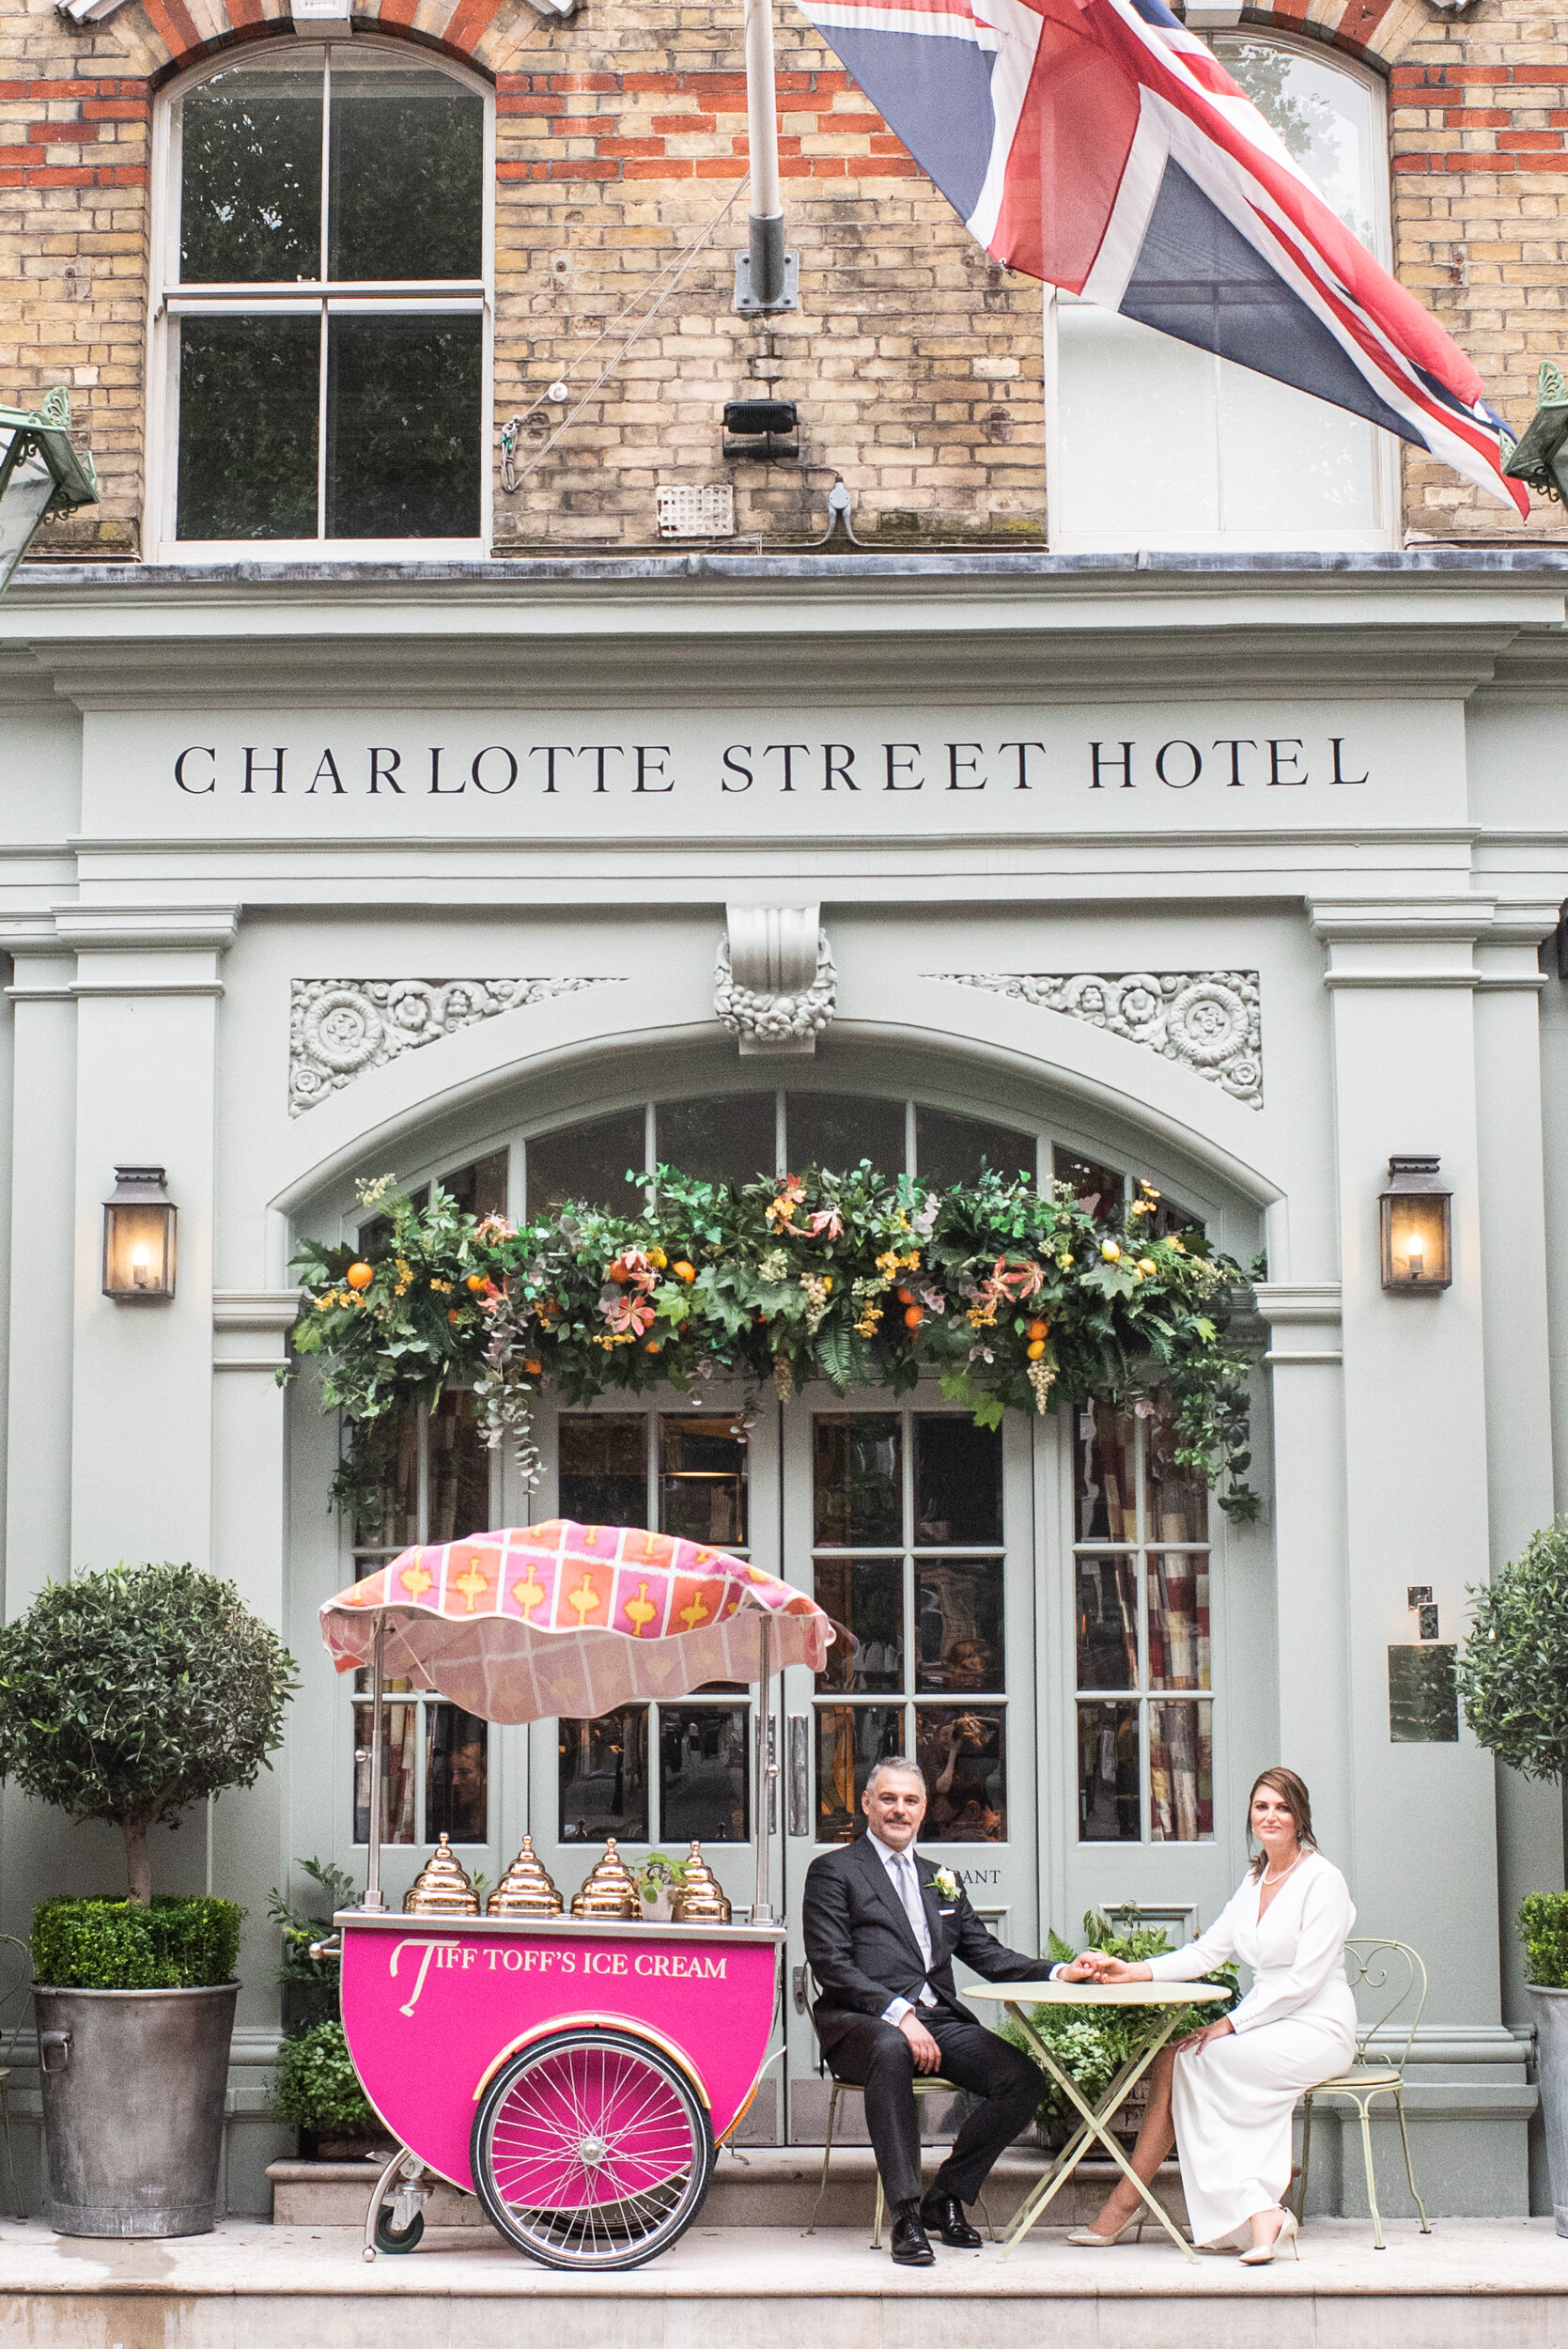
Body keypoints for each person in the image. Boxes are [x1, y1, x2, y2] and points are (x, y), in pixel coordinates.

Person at [802, 1754, 1094, 2266]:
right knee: (892, 2049)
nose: (899, 1810)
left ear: (923, 1809)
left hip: (937, 2021)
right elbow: (832, 1964)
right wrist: (899, 2013)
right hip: (861, 2024)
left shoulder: (940, 1878)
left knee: (1022, 2079)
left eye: (910, 1800)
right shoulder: (833, 1871)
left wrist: (1059, 1971)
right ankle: (907, 2215)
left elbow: (985, 1953)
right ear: (867, 1804)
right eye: (888, 1798)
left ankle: (947, 2196)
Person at [1066, 1766, 1357, 2263]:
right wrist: (1132, 1970)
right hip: (1267, 2024)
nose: (1271, 1816)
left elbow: (1303, 1981)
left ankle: (1134, 2203)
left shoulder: (1322, 1880)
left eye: (1282, 1807)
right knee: (1178, 2059)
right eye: (1262, 1806)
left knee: (1189, 2061)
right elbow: (1207, 1954)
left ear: (1300, 1816)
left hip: (1317, 2026)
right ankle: (1257, 2214)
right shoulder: (1255, 1879)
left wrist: (1231, 2022)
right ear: (1250, 1813)